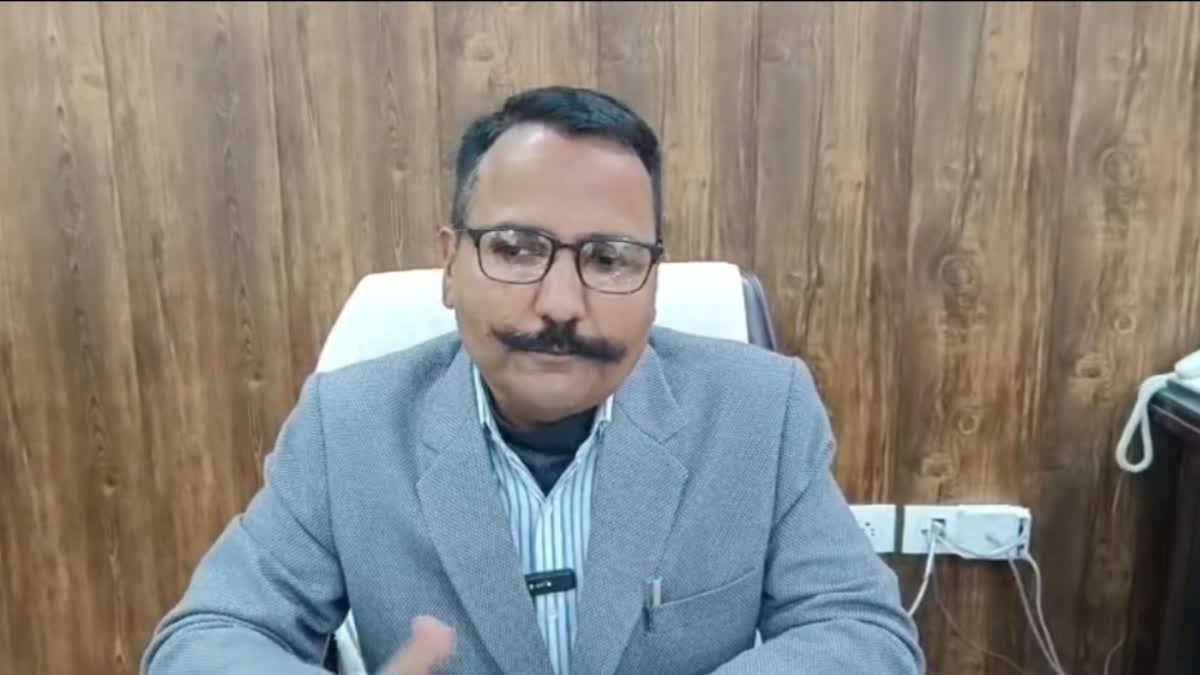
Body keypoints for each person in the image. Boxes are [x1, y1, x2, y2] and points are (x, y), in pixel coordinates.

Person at [141, 85, 925, 675]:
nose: (560, 304)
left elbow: (863, 632)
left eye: (609, 258)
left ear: (654, 280)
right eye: (516, 249)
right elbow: (205, 638)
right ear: (450, 263)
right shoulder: (347, 424)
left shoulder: (762, 410)